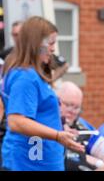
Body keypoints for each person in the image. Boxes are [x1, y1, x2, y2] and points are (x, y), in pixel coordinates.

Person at [0, 16, 84, 171]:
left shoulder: (30, 74)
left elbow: (37, 116)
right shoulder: (26, 77)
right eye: (51, 43)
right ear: (36, 43)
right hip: (29, 164)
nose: (53, 49)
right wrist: (57, 135)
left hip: (37, 161)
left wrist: (60, 130)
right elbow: (16, 121)